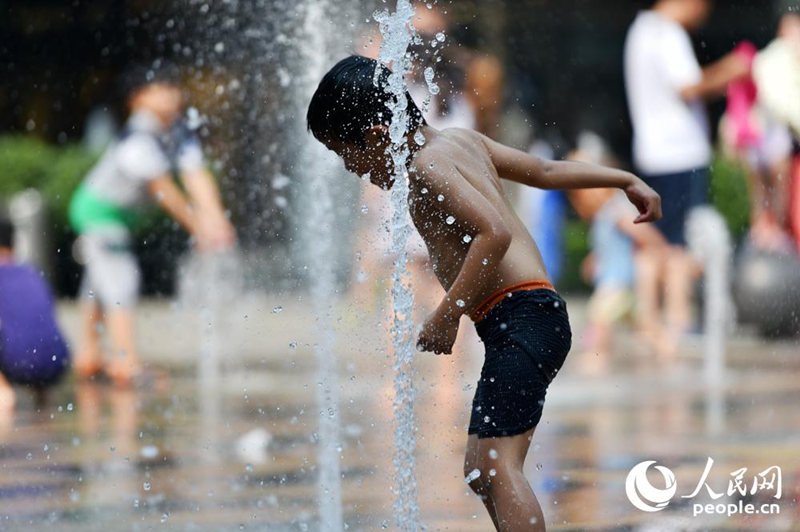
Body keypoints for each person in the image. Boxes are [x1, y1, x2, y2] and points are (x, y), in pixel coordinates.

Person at [306, 55, 661, 531]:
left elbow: (493, 233)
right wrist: (622, 179)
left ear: (374, 135)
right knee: (481, 468)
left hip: (523, 317)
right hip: (528, 317)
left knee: (495, 466)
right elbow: (543, 170)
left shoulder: (427, 167)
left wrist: (447, 313)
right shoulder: (459, 142)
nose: (351, 169)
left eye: (345, 154)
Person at [68, 68, 235, 386]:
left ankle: (88, 354)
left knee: (98, 283)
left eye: (173, 87)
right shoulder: (138, 137)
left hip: (114, 217)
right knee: (120, 280)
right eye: (160, 88)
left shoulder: (176, 132)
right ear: (137, 99)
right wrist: (199, 227)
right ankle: (125, 362)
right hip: (99, 214)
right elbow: (164, 191)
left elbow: (195, 175)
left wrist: (215, 218)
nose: (171, 94)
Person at [624, 0, 748, 337]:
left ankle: (649, 318)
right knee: (680, 240)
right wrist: (732, 70)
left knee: (656, 238)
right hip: (680, 153)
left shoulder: (640, 30)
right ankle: (679, 320)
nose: (705, 12)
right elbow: (688, 85)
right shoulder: (668, 33)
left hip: (652, 151)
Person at [0, 216, 70, 411]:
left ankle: (3, 392)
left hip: (17, 362)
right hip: (57, 363)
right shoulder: (32, 272)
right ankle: (43, 398)